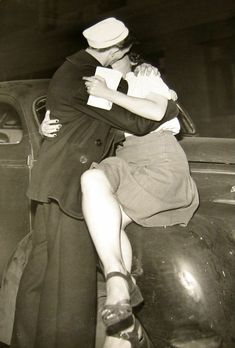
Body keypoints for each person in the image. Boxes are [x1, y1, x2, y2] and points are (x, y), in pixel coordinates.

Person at [11, 17, 179, 348]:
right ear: (119, 48)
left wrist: (143, 81)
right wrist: (170, 103)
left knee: (41, 274)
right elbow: (136, 123)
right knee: (71, 282)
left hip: (54, 181)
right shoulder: (85, 77)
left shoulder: (77, 70)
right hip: (71, 184)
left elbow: (104, 118)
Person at [41, 53, 199, 348]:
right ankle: (119, 290)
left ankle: (119, 330)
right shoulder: (101, 84)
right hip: (124, 160)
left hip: (158, 159)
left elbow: (156, 111)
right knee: (91, 182)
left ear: (129, 56)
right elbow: (83, 123)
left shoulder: (145, 77)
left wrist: (108, 92)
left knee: (107, 230)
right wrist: (47, 127)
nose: (107, 62)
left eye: (114, 55)